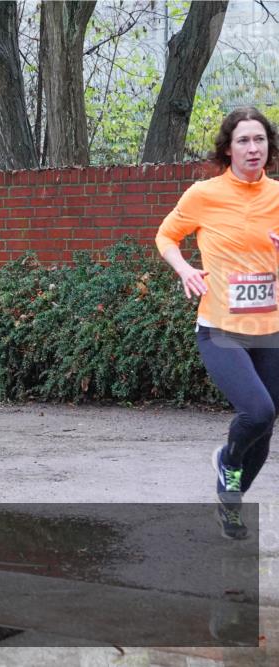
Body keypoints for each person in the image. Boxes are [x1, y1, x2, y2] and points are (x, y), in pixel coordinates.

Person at [155, 106, 279, 539]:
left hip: (271, 330)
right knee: (257, 410)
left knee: (266, 426)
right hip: (220, 328)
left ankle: (231, 499)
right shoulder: (203, 195)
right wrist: (185, 269)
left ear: (269, 147)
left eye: (259, 140)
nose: (253, 148)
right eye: (243, 140)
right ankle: (228, 460)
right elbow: (166, 235)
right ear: (228, 148)